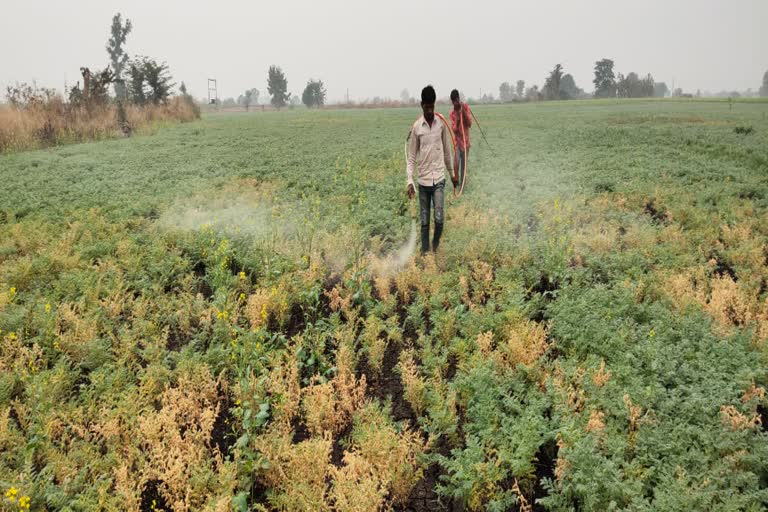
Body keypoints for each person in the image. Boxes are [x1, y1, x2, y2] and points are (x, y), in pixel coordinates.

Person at [406, 85, 457, 254]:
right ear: (422, 105)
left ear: (434, 105)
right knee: (425, 222)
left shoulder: (441, 125)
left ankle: (434, 247)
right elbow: (412, 157)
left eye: (432, 107)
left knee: (440, 219)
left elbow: (448, 152)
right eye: (426, 107)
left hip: (439, 180)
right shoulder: (417, 128)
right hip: (423, 181)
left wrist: (452, 174)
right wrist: (409, 180)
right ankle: (425, 254)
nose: (429, 110)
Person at [449, 89, 472, 190]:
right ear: (452, 101)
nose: (455, 103)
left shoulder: (466, 107)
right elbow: (454, 130)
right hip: (458, 143)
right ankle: (456, 181)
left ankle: (462, 186)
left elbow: (469, 124)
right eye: (453, 101)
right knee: (456, 162)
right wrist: (458, 117)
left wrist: (463, 112)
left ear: (458, 99)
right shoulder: (452, 114)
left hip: (466, 142)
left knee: (464, 166)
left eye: (456, 100)